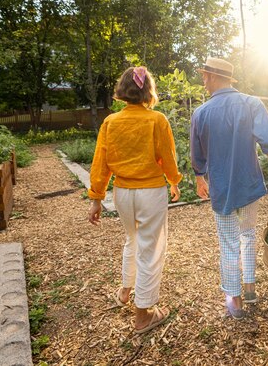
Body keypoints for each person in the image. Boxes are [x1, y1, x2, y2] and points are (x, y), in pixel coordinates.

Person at [190, 57, 268, 319]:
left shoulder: (201, 113)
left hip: (221, 189)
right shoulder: (251, 103)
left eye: (204, 76)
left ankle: (234, 300)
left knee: (229, 242)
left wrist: (200, 178)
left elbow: (197, 155)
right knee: (247, 234)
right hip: (248, 186)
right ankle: (250, 287)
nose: (203, 80)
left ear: (211, 77)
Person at [87, 66, 182, 333]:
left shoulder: (110, 122)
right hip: (150, 192)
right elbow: (168, 156)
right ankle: (144, 315)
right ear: (147, 90)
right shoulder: (156, 120)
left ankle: (125, 291)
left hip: (123, 194)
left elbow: (100, 162)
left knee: (133, 240)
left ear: (123, 91)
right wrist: (174, 181)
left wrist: (96, 198)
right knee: (151, 249)